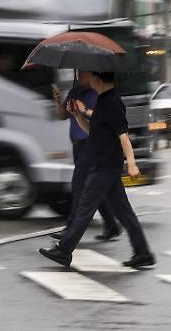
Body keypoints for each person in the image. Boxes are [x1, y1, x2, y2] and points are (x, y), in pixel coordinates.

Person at [40, 71, 156, 269]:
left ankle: (64, 250)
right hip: (104, 165)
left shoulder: (112, 102)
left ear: (98, 79)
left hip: (104, 166)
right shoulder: (103, 101)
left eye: (91, 76)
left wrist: (132, 163)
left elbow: (123, 136)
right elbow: (91, 130)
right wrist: (78, 114)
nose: (89, 79)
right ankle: (143, 252)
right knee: (123, 212)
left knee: (85, 206)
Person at [51, 70, 121, 241]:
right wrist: (59, 102)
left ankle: (70, 231)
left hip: (91, 145)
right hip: (77, 146)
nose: (78, 77)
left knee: (78, 187)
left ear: (91, 75)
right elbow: (62, 116)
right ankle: (112, 225)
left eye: (82, 74)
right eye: (77, 73)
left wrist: (84, 111)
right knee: (97, 188)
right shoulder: (75, 92)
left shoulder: (99, 95)